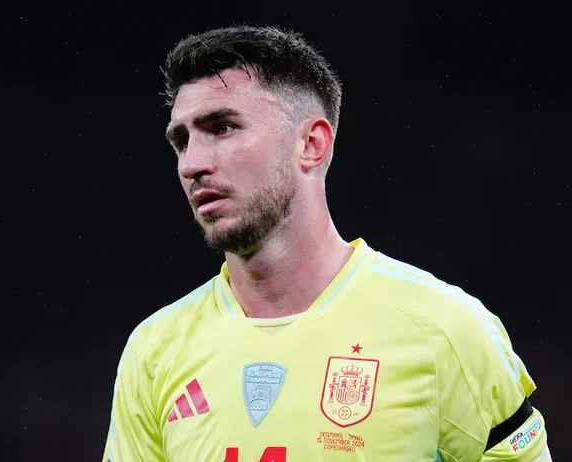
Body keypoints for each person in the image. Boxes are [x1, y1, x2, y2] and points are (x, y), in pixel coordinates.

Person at [101, 25, 551, 461]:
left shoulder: (446, 329)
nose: (191, 164)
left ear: (311, 144)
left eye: (222, 127)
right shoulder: (154, 350)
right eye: (182, 141)